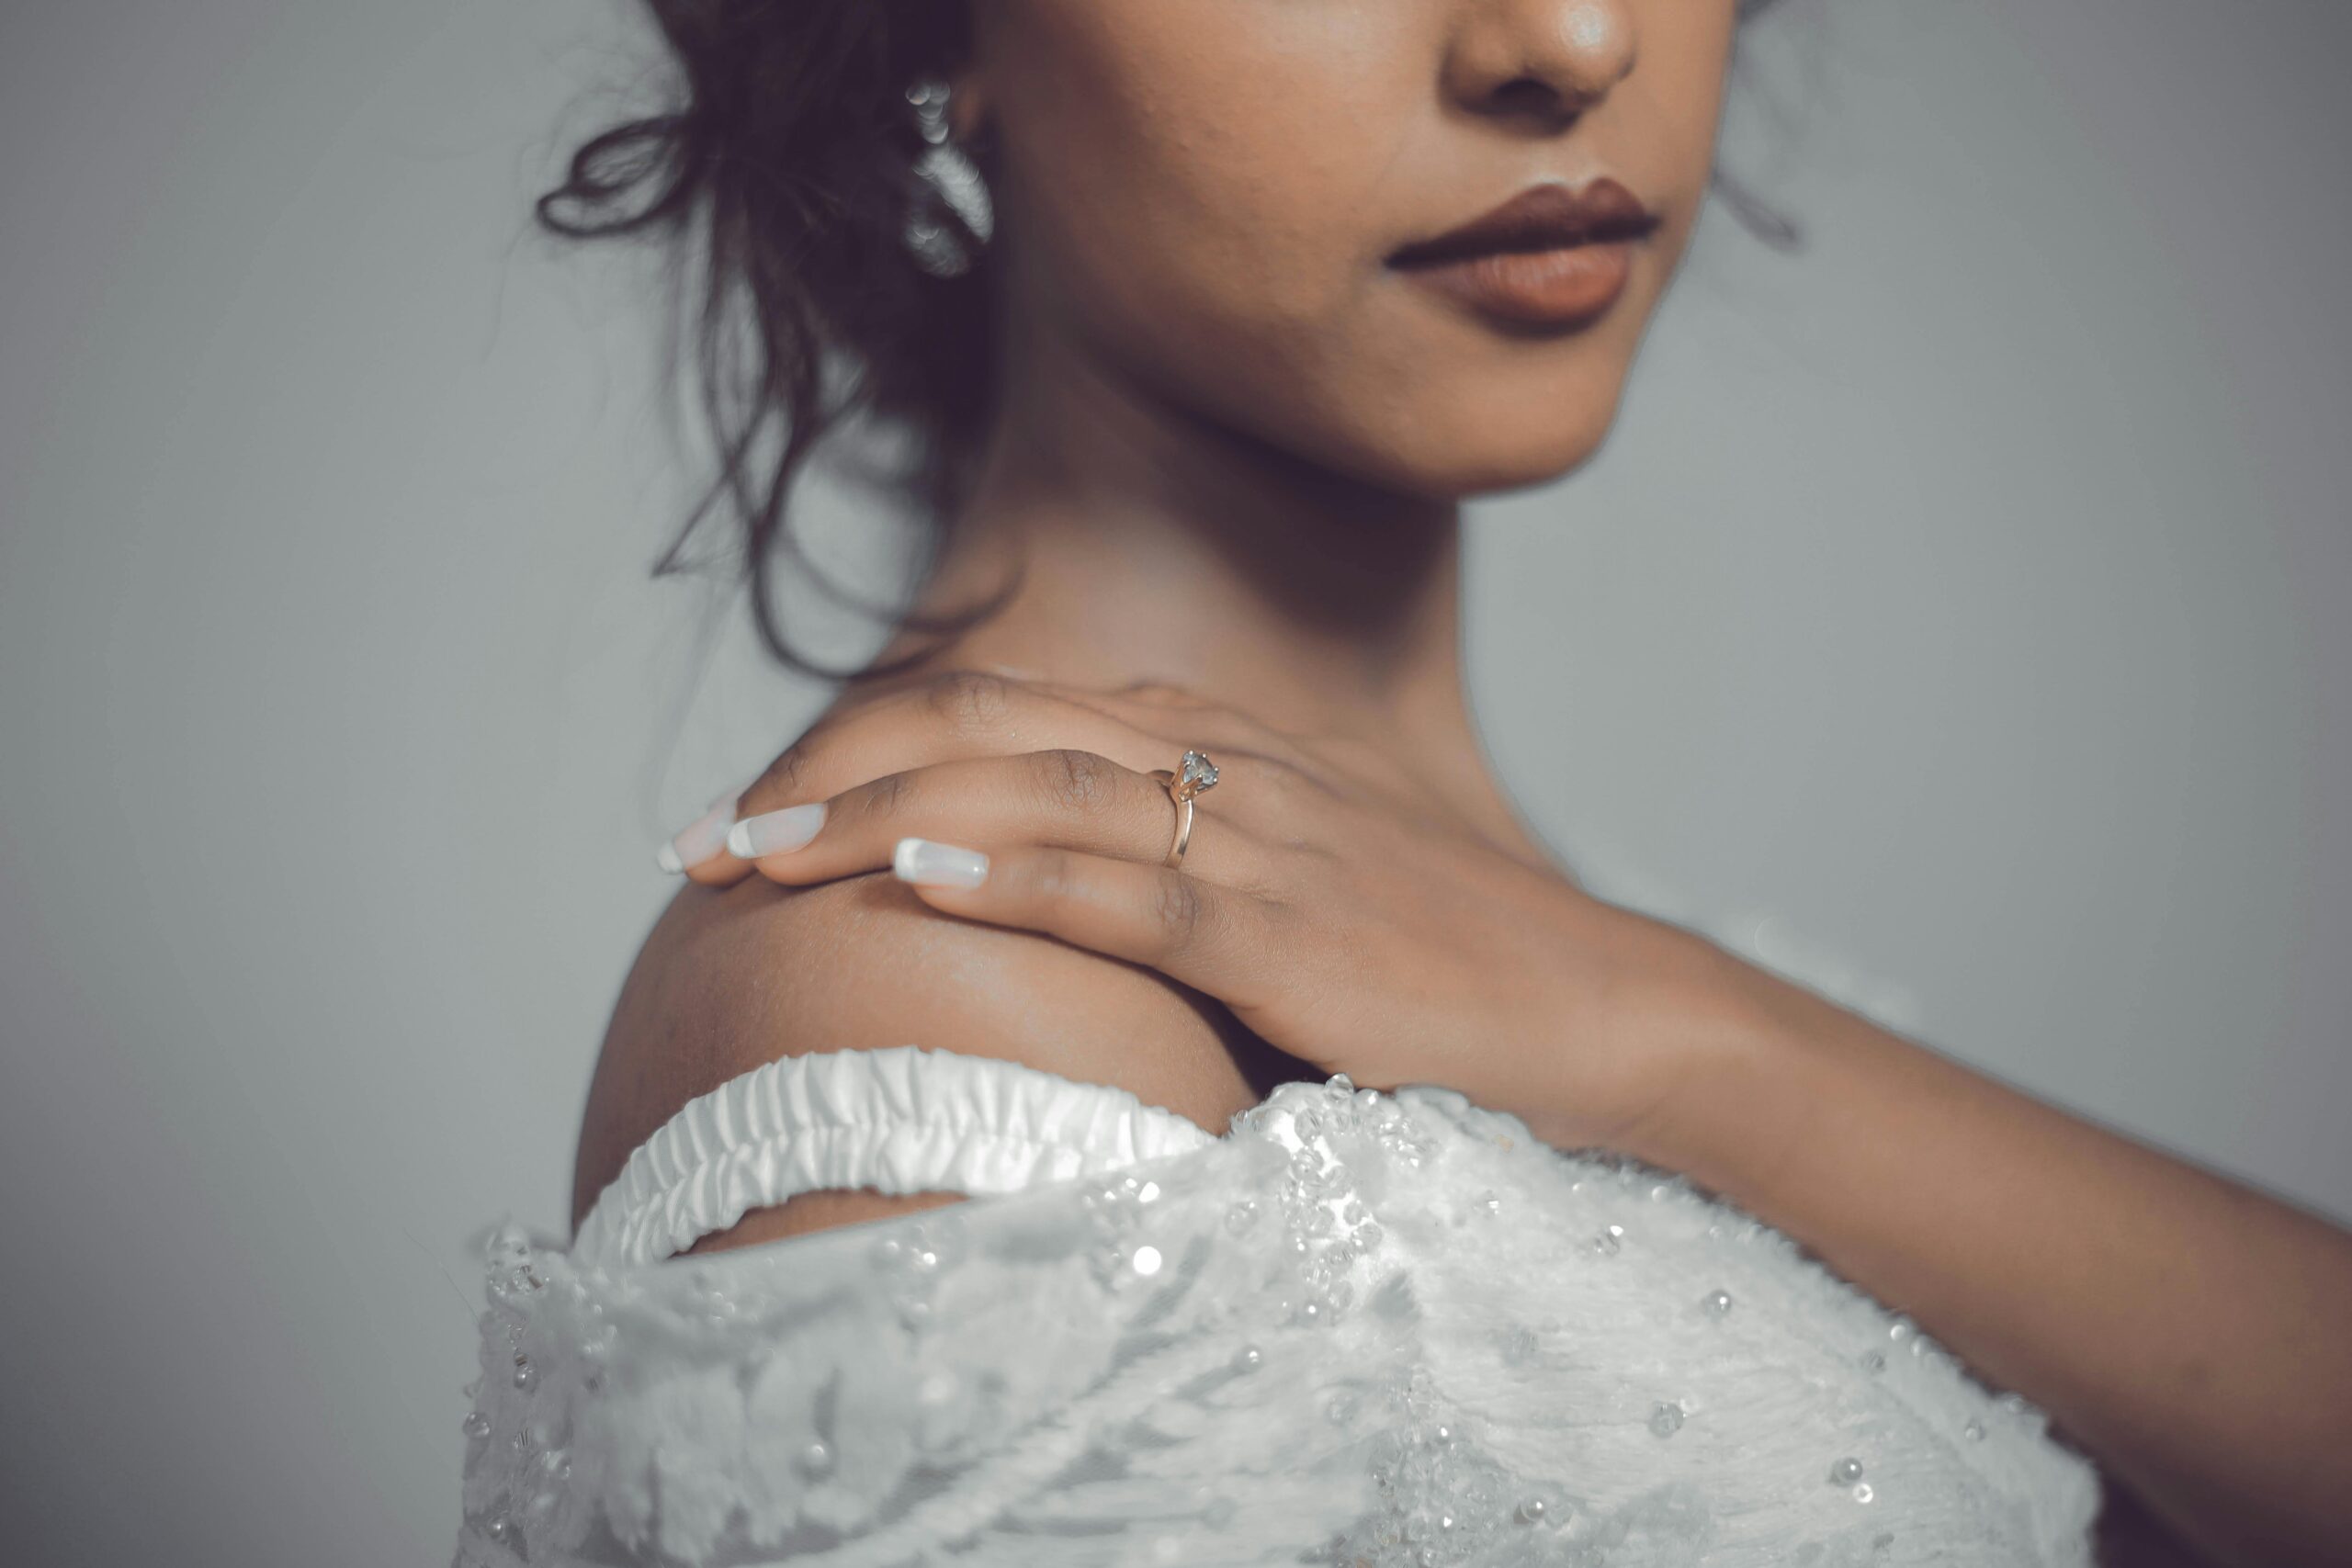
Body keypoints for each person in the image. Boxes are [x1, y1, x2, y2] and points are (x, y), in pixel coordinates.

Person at [455, 3, 2352, 1564]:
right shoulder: (945, 982)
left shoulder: (1574, 955)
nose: (1567, 39)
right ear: (927, 36)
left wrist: (1684, 1036)